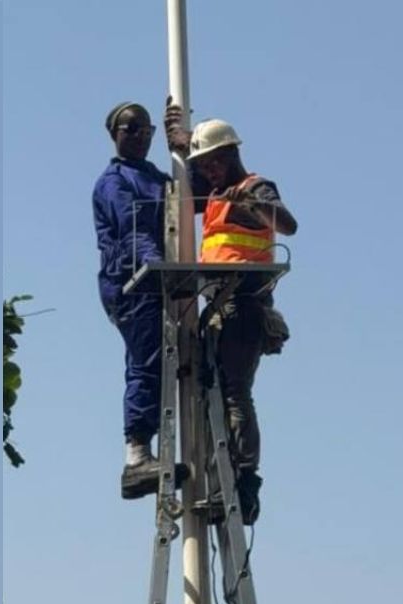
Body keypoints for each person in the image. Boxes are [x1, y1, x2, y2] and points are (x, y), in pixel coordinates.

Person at [165, 101, 297, 525]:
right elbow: (188, 197)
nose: (207, 174)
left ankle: (244, 478)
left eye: (210, 165)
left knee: (235, 392)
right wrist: (182, 147)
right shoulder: (219, 194)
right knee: (214, 389)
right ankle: (222, 472)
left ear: (226, 157)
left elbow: (288, 224)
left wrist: (259, 207)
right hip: (220, 306)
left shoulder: (254, 189)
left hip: (244, 305)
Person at [92, 102, 176, 500]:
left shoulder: (155, 177)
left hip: (156, 283)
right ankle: (136, 457)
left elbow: (187, 194)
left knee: (167, 363)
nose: (140, 135)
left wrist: (184, 146)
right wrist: (157, 267)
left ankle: (158, 448)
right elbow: (135, 230)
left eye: (146, 130)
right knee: (145, 362)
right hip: (133, 285)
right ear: (115, 134)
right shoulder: (115, 182)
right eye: (131, 129)